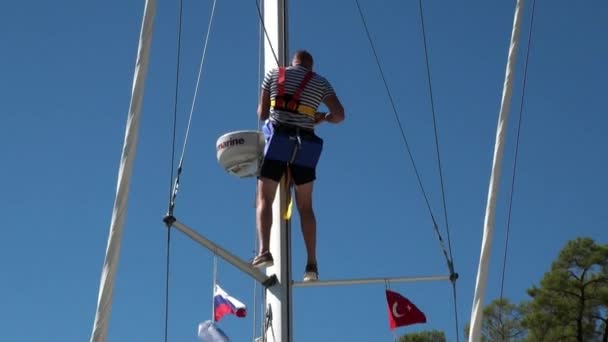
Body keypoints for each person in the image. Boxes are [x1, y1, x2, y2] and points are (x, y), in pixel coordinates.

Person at [252, 50, 344, 282]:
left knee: (265, 198)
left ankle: (264, 251)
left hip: (279, 144)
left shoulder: (274, 74)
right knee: (306, 206)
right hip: (305, 147)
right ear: (310, 67)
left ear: (292, 62)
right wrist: (322, 118)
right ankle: (311, 264)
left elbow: (262, 114)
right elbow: (340, 115)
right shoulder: (320, 82)